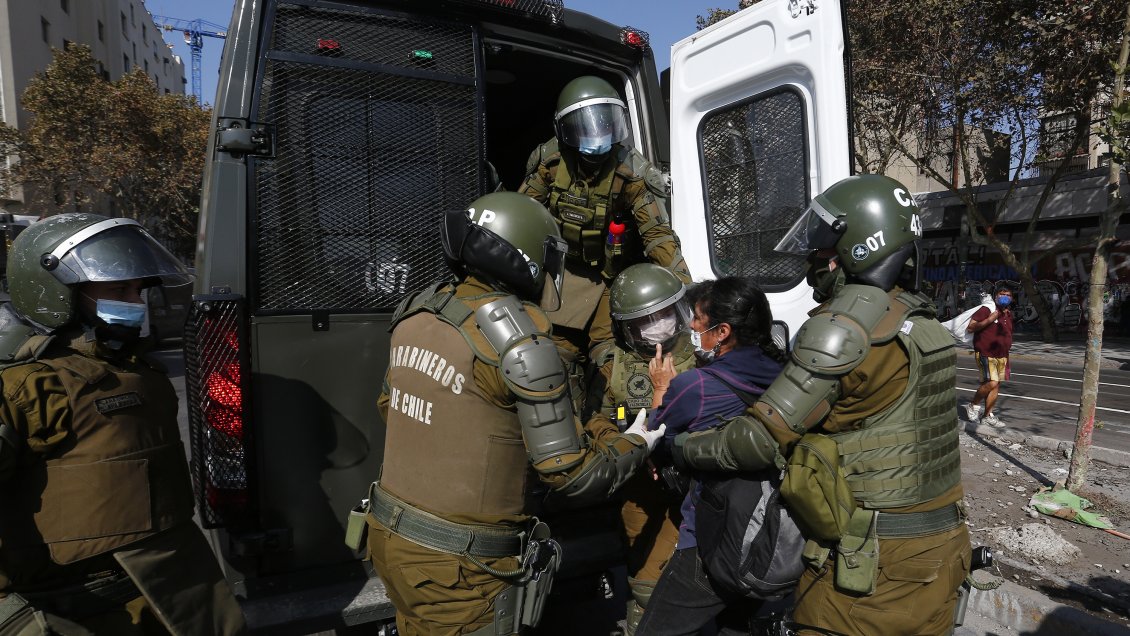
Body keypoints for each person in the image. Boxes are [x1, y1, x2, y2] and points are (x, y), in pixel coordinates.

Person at [671, 175, 972, 636]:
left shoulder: (845, 327)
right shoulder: (920, 318)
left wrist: (686, 448)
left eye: (820, 249)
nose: (814, 260)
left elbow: (758, 439)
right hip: (943, 548)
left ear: (855, 246)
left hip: (871, 567)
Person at [362, 192, 666, 636]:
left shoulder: (420, 309)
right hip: (459, 570)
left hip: (390, 536)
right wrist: (638, 442)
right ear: (525, 255)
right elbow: (572, 476)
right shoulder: (520, 342)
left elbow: (392, 409)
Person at [0, 214, 245, 635]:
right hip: (77, 608)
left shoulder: (135, 369)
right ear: (59, 292)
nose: (134, 300)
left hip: (170, 591)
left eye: (137, 289)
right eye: (117, 289)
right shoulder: (24, 385)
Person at [634, 277, 788, 636]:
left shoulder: (696, 387)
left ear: (722, 332)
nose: (690, 325)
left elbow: (655, 436)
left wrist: (660, 388)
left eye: (698, 319)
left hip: (711, 540)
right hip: (767, 531)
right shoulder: (784, 373)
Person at [518, 75, 690, 360]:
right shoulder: (551, 162)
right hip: (564, 271)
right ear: (566, 129)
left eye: (604, 124)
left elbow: (657, 234)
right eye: (585, 127)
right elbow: (522, 216)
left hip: (614, 274)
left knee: (610, 355)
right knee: (555, 350)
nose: (596, 135)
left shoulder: (631, 171)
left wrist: (685, 285)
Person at [581, 263, 697, 634]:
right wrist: (624, 444)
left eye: (664, 314)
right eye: (645, 320)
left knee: (661, 580)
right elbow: (595, 418)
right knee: (640, 566)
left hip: (691, 486)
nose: (657, 325)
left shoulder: (704, 355)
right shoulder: (615, 365)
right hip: (639, 486)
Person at [965, 287, 1014, 428]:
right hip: (986, 352)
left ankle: (987, 416)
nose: (1005, 297)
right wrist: (990, 319)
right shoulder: (987, 309)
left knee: (996, 385)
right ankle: (973, 405)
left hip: (1002, 355)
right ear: (996, 296)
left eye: (1008, 295)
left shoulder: (1008, 314)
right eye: (1002, 294)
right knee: (992, 382)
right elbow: (971, 327)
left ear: (1012, 298)